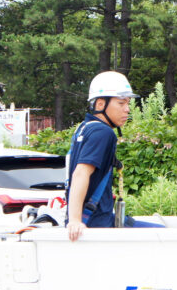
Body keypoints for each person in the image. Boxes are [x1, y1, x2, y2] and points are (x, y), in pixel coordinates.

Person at [66, 71, 162, 241]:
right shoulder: (103, 132)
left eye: (128, 103)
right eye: (121, 103)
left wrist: (73, 218)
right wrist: (74, 221)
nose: (127, 109)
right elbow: (81, 173)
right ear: (101, 103)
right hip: (97, 225)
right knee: (163, 233)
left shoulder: (84, 128)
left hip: (93, 221)